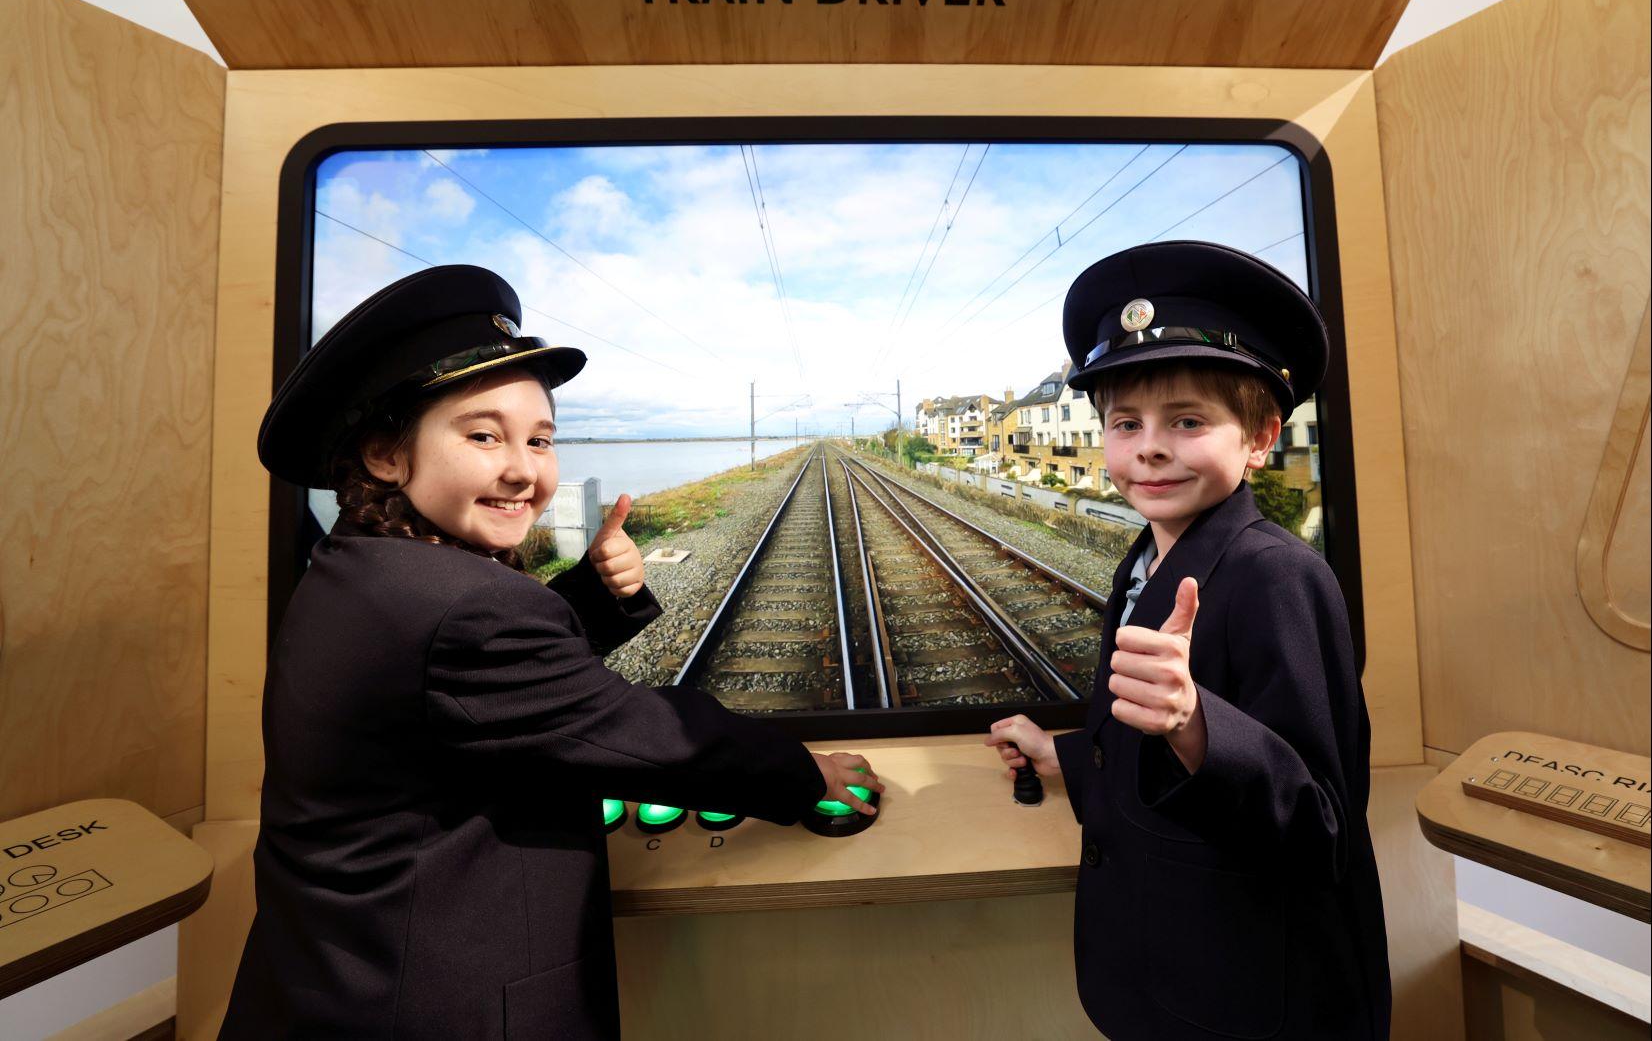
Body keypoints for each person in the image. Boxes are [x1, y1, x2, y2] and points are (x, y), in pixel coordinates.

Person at [223, 264, 881, 1040]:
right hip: (435, 1007)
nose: (523, 469)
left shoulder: (356, 569)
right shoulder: (463, 605)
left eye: (540, 439)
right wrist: (805, 773)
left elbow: (466, 689)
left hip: (332, 986)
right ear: (384, 454)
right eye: (482, 435)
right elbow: (638, 731)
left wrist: (594, 596)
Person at [987, 240, 1390, 1039]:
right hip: (1174, 974)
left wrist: (1196, 723)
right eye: (1125, 422)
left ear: (1262, 436)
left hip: (1254, 999)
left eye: (1189, 420)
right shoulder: (1146, 558)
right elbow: (1146, 752)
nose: (1150, 447)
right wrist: (1059, 752)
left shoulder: (1278, 576)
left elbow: (1321, 828)